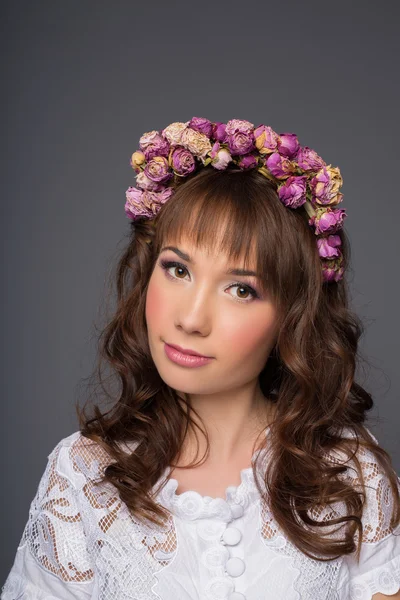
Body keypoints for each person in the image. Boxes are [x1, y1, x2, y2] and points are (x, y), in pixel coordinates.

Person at [2, 117, 400, 600]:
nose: (191, 319)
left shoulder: (348, 474)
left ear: (291, 317)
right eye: (177, 269)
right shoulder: (83, 477)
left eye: (240, 289)